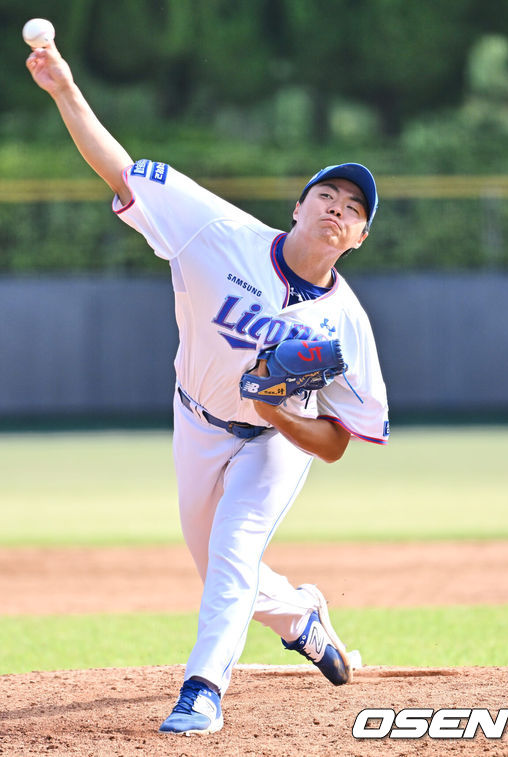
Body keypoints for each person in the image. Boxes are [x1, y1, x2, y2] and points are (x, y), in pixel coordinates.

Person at [27, 40, 389, 737]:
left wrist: (277, 413)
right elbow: (122, 171)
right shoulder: (217, 232)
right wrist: (64, 90)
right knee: (220, 562)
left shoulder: (346, 326)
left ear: (360, 237)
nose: (337, 208)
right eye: (327, 194)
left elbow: (340, 443)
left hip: (273, 444)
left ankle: (201, 690)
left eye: (353, 208)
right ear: (298, 205)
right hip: (194, 420)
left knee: (232, 549)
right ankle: (302, 617)